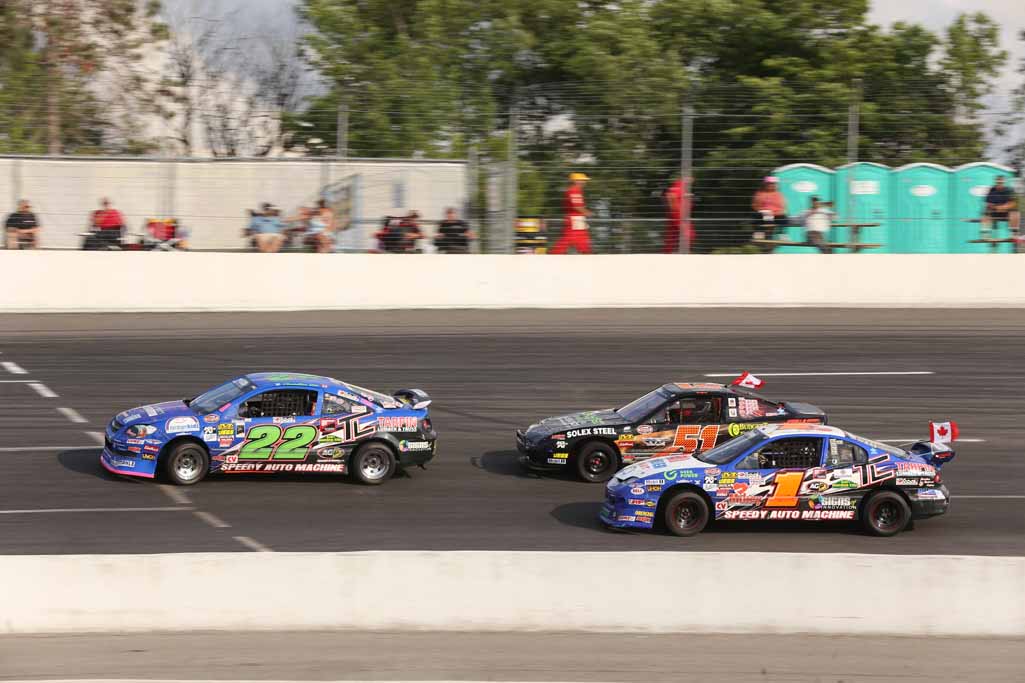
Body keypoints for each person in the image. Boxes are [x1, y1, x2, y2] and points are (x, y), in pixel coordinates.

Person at [550, 172, 592, 254]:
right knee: (572, 239)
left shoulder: (575, 190)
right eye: (582, 180)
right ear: (576, 181)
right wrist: (588, 213)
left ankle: (587, 254)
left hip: (576, 219)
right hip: (575, 219)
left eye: (584, 180)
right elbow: (577, 206)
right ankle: (554, 254)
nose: (584, 182)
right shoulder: (574, 190)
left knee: (578, 239)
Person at [663, 176, 694, 254]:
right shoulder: (678, 187)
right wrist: (677, 212)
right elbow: (671, 197)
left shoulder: (681, 189)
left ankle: (670, 253)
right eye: (689, 180)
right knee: (689, 235)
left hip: (678, 216)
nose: (691, 182)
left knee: (672, 237)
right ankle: (683, 253)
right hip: (679, 216)